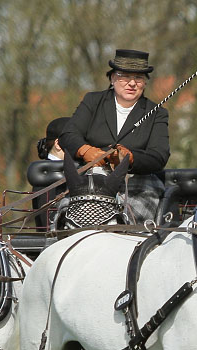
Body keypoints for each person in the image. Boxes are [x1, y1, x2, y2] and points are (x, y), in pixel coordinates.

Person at [59, 49, 169, 223]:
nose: (132, 83)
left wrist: (130, 158)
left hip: (137, 186)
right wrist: (85, 151)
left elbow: (159, 156)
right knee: (65, 218)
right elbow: (68, 135)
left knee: (121, 221)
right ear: (112, 78)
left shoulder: (157, 113)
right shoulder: (93, 101)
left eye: (138, 78)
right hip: (90, 182)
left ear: (145, 83)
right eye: (124, 76)